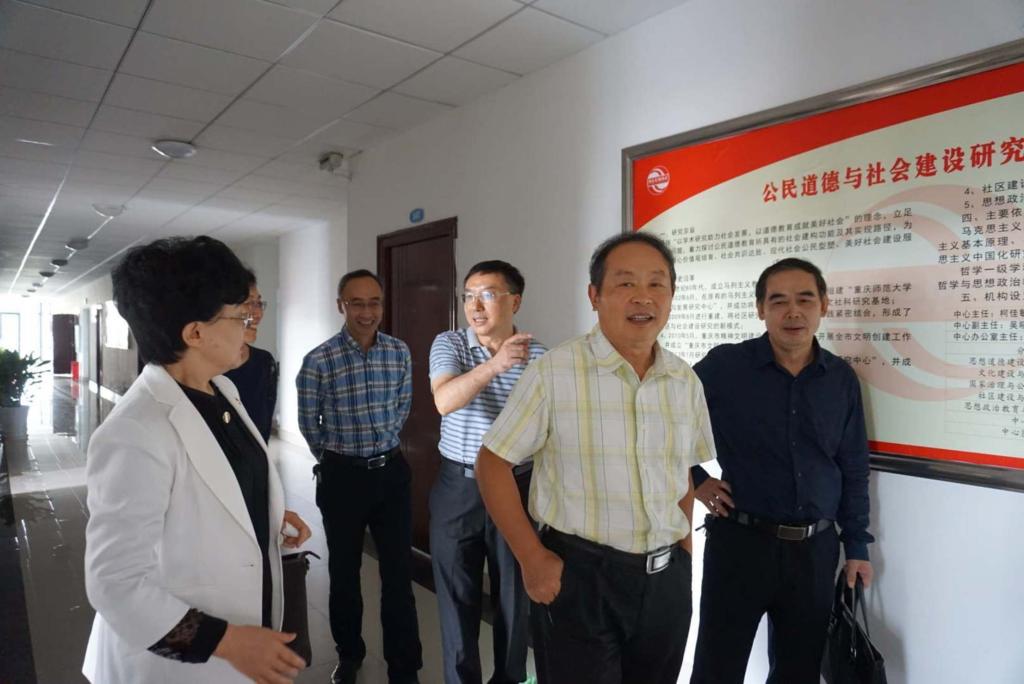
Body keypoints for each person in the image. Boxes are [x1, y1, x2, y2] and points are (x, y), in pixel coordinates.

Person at [476, 233, 716, 684]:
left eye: (656, 284)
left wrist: (684, 553)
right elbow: (492, 463)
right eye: (625, 283)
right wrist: (531, 558)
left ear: (671, 294)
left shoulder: (684, 380)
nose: (643, 297)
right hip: (580, 578)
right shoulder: (554, 372)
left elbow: (681, 471)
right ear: (595, 295)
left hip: (665, 582)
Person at [83, 236, 312, 684]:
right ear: (195, 333)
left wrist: (262, 513)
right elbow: (114, 583)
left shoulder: (222, 389)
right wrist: (226, 642)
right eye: (239, 315)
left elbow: (216, 486)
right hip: (172, 667)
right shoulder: (136, 430)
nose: (249, 325)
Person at [689, 257, 874, 684]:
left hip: (814, 552)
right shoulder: (725, 367)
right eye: (779, 301)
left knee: (798, 672)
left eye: (805, 300)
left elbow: (852, 465)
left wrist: (857, 545)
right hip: (740, 544)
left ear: (823, 306)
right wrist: (695, 480)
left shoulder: (840, 379)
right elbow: (665, 417)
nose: (793, 312)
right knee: (717, 668)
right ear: (761, 309)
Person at [296, 269, 422, 684]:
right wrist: (335, 458)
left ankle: (404, 666)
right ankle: (349, 654)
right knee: (345, 574)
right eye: (357, 303)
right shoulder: (319, 360)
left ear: (382, 305)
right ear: (342, 306)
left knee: (398, 576)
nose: (367, 312)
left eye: (374, 302)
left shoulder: (398, 352)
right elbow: (308, 423)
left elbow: (402, 407)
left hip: (390, 475)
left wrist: (379, 446)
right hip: (342, 479)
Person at [428, 260, 547, 684]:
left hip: (516, 487)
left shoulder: (540, 358)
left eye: (488, 295)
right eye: (469, 296)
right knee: (456, 599)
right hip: (457, 487)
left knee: (514, 598)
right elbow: (444, 400)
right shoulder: (450, 344)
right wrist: (496, 365)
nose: (475, 306)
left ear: (515, 301)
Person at [225, 270, 278, 443]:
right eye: (248, 303)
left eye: (259, 303)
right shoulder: (206, 369)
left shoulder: (264, 362)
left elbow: (263, 433)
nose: (258, 314)